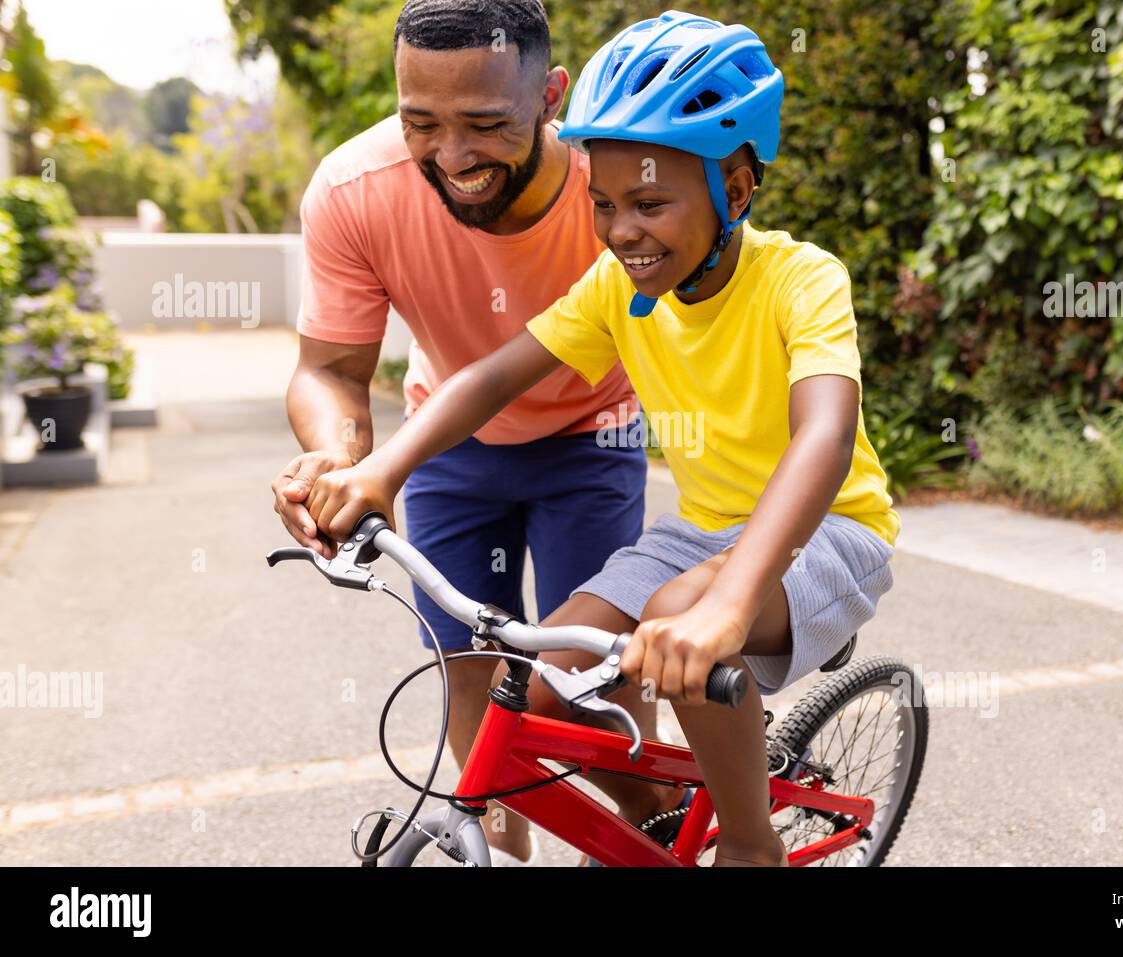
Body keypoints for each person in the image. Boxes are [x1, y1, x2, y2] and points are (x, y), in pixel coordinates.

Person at [303, 9, 901, 867]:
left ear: (734, 191)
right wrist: (379, 469)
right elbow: (488, 378)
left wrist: (734, 598)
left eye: (650, 203)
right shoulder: (616, 287)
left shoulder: (801, 278)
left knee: (680, 614)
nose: (622, 230)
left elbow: (825, 438)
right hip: (699, 534)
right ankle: (659, 818)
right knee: (544, 690)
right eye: (604, 204)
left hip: (828, 531)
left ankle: (748, 844)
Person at [270, 0, 659, 866]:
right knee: (467, 668)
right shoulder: (352, 189)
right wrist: (338, 457)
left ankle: (656, 841)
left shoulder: (618, 185)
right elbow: (331, 369)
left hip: (592, 435)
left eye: (487, 124)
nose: (453, 156)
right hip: (444, 444)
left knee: (598, 681)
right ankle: (505, 849)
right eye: (422, 123)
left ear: (551, 96)